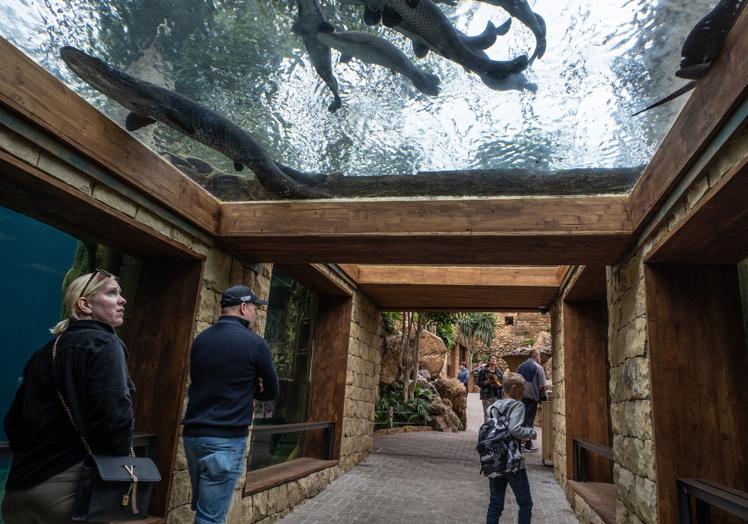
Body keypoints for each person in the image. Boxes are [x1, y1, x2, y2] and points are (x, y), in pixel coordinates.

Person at [3, 269, 134, 523]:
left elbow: (13, 423)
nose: (122, 300)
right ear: (84, 304)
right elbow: (115, 417)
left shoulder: (44, 352)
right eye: (112, 293)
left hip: (17, 492)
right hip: (71, 490)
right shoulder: (105, 344)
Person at [182, 284, 279, 524]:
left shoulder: (201, 339)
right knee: (211, 517)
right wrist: (251, 390)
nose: (256, 314)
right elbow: (272, 391)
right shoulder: (256, 344)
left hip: (193, 437)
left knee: (204, 510)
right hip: (225, 441)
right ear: (244, 307)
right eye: (255, 308)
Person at [485, 372, 536, 524]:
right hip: (513, 461)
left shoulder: (493, 407)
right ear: (514, 388)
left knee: (495, 505)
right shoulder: (517, 405)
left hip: (494, 460)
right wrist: (531, 433)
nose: (524, 392)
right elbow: (514, 429)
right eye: (522, 388)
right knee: (525, 504)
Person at [516, 349, 547, 451]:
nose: (540, 358)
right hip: (531, 398)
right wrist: (544, 399)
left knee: (521, 420)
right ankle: (528, 445)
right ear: (536, 356)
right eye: (539, 356)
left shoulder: (520, 367)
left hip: (520, 397)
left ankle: (520, 443)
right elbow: (542, 386)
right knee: (529, 421)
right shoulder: (539, 368)